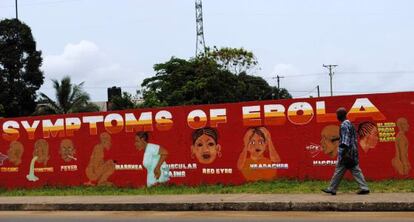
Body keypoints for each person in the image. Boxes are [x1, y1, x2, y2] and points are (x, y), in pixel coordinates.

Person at [322, 107, 370, 195]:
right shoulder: (349, 124)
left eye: (337, 114)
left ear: (340, 115)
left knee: (339, 169)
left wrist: (343, 153)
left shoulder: (343, 125)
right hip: (353, 151)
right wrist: (336, 138)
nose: (337, 116)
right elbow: (349, 136)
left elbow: (345, 141)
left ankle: (332, 188)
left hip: (346, 152)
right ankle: (364, 188)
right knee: (355, 169)